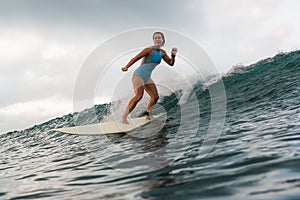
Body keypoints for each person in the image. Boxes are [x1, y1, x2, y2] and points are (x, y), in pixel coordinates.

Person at [121, 32, 177, 124]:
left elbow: (171, 63)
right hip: (138, 75)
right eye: (155, 38)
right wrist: (127, 66)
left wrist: (173, 56)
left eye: (159, 38)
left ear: (162, 40)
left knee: (155, 97)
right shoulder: (149, 50)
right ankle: (124, 117)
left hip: (147, 77)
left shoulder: (162, 53)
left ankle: (148, 114)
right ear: (153, 40)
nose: (157, 39)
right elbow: (136, 58)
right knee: (139, 96)